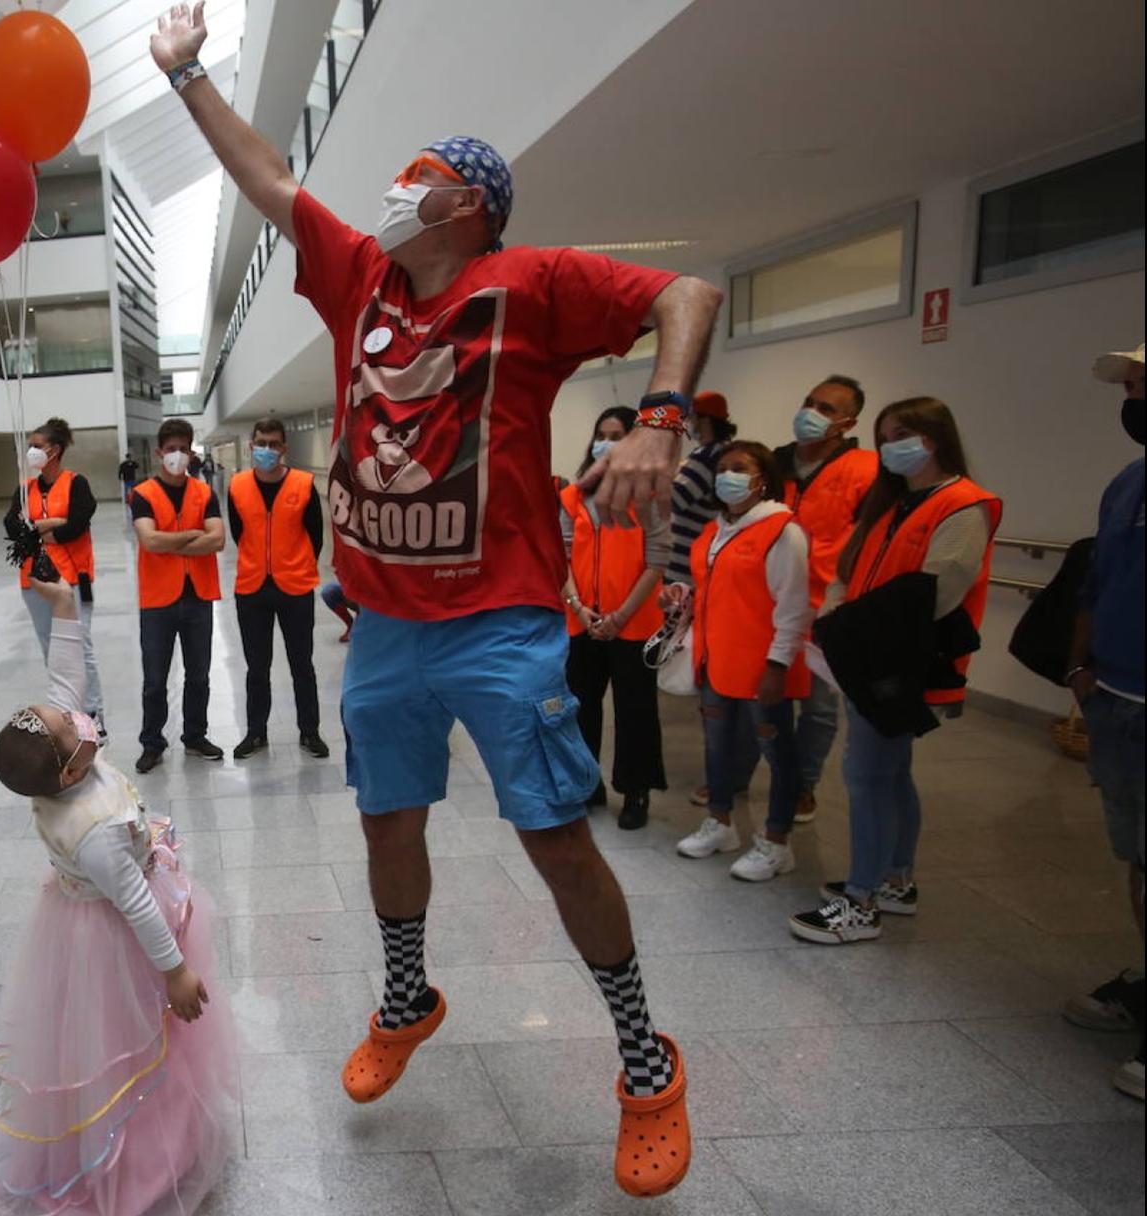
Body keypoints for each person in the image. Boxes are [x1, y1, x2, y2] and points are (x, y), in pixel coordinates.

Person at [152, 4, 722, 1195]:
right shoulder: (360, 276)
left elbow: (689, 297)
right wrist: (191, 73)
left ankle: (645, 1061)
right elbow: (266, 177)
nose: (395, 189)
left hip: (506, 618)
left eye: (418, 175)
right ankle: (407, 998)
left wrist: (662, 419)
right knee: (386, 823)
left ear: (467, 201)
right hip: (389, 629)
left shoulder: (532, 282)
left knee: (555, 838)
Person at [0, 576, 237, 1213]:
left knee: (125, 1035)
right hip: (112, 934)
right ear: (74, 769)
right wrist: (178, 971)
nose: (79, 715)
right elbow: (135, 906)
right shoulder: (96, 829)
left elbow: (64, 680)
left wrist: (62, 610)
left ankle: (161, 1129)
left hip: (84, 908)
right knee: (126, 1036)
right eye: (74, 726)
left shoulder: (56, 760)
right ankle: (130, 1157)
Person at [791, 397, 1001, 945]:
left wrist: (853, 628)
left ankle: (861, 900)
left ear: (935, 438)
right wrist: (837, 616)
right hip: (865, 654)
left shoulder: (962, 505)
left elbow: (938, 589)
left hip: (896, 660)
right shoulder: (893, 502)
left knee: (868, 776)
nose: (891, 446)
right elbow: (846, 569)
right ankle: (895, 879)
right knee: (890, 771)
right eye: (885, 435)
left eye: (903, 433)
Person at [1062, 341, 1145, 1100]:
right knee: (1142, 858)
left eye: (1142, 383)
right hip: (1118, 698)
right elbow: (1097, 584)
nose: (1132, 397)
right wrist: (1082, 673)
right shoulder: (1129, 484)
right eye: (1130, 385)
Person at [672, 441, 812, 881]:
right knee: (717, 748)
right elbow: (715, 589)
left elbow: (793, 605)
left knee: (777, 753)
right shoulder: (714, 532)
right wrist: (682, 596)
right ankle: (721, 824)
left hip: (761, 667)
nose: (727, 475)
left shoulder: (781, 530)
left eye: (739, 468)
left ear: (762, 477)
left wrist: (778, 665)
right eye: (722, 468)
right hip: (717, 661)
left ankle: (776, 842)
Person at [744, 375, 878, 820]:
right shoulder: (774, 463)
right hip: (766, 600)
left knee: (818, 707)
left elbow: (867, 539)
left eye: (825, 408)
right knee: (756, 695)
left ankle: (803, 785)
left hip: (826, 605)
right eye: (809, 402)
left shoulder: (865, 469)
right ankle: (736, 774)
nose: (811, 413)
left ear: (847, 422)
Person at [562, 407, 671, 830]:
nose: (605, 442)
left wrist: (621, 616)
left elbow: (657, 561)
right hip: (583, 621)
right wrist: (578, 607)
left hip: (635, 623)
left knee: (636, 710)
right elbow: (563, 556)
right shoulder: (573, 496)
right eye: (600, 434)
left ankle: (636, 791)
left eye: (616, 435)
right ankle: (587, 785)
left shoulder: (651, 495)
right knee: (581, 707)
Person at [228, 416, 329, 761]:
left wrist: (295, 564)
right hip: (252, 588)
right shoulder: (238, 486)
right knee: (257, 667)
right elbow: (237, 533)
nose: (266, 450)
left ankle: (310, 731)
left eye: (273, 444)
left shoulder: (303, 484)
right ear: (251, 446)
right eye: (261, 443)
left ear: (284, 448)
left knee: (302, 663)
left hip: (295, 587)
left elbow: (316, 535)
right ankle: (256, 732)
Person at [131, 418, 227, 774]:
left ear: (191, 453)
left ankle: (195, 735)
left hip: (198, 596)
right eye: (170, 450)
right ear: (159, 454)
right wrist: (191, 535)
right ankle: (152, 742)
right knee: (155, 679)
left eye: (183, 450)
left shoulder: (204, 493)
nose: (177, 455)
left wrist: (172, 540)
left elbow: (217, 539)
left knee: (199, 674)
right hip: (157, 600)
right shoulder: (143, 494)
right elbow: (149, 540)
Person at [7, 417, 104, 728]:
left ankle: (92, 715)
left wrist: (41, 528)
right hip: (35, 580)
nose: (31, 452)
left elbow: (77, 525)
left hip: (74, 579)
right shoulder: (25, 489)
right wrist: (52, 524)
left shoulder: (76, 483)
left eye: (37, 446)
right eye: (30, 446)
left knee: (80, 645)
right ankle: (67, 714)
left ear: (55, 450)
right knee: (52, 649)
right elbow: (14, 529)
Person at [668, 391, 737, 587]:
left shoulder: (707, 457)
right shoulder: (724, 452)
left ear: (704, 420)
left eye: (691, 417)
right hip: (696, 557)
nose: (689, 423)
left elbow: (673, 499)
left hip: (682, 566)